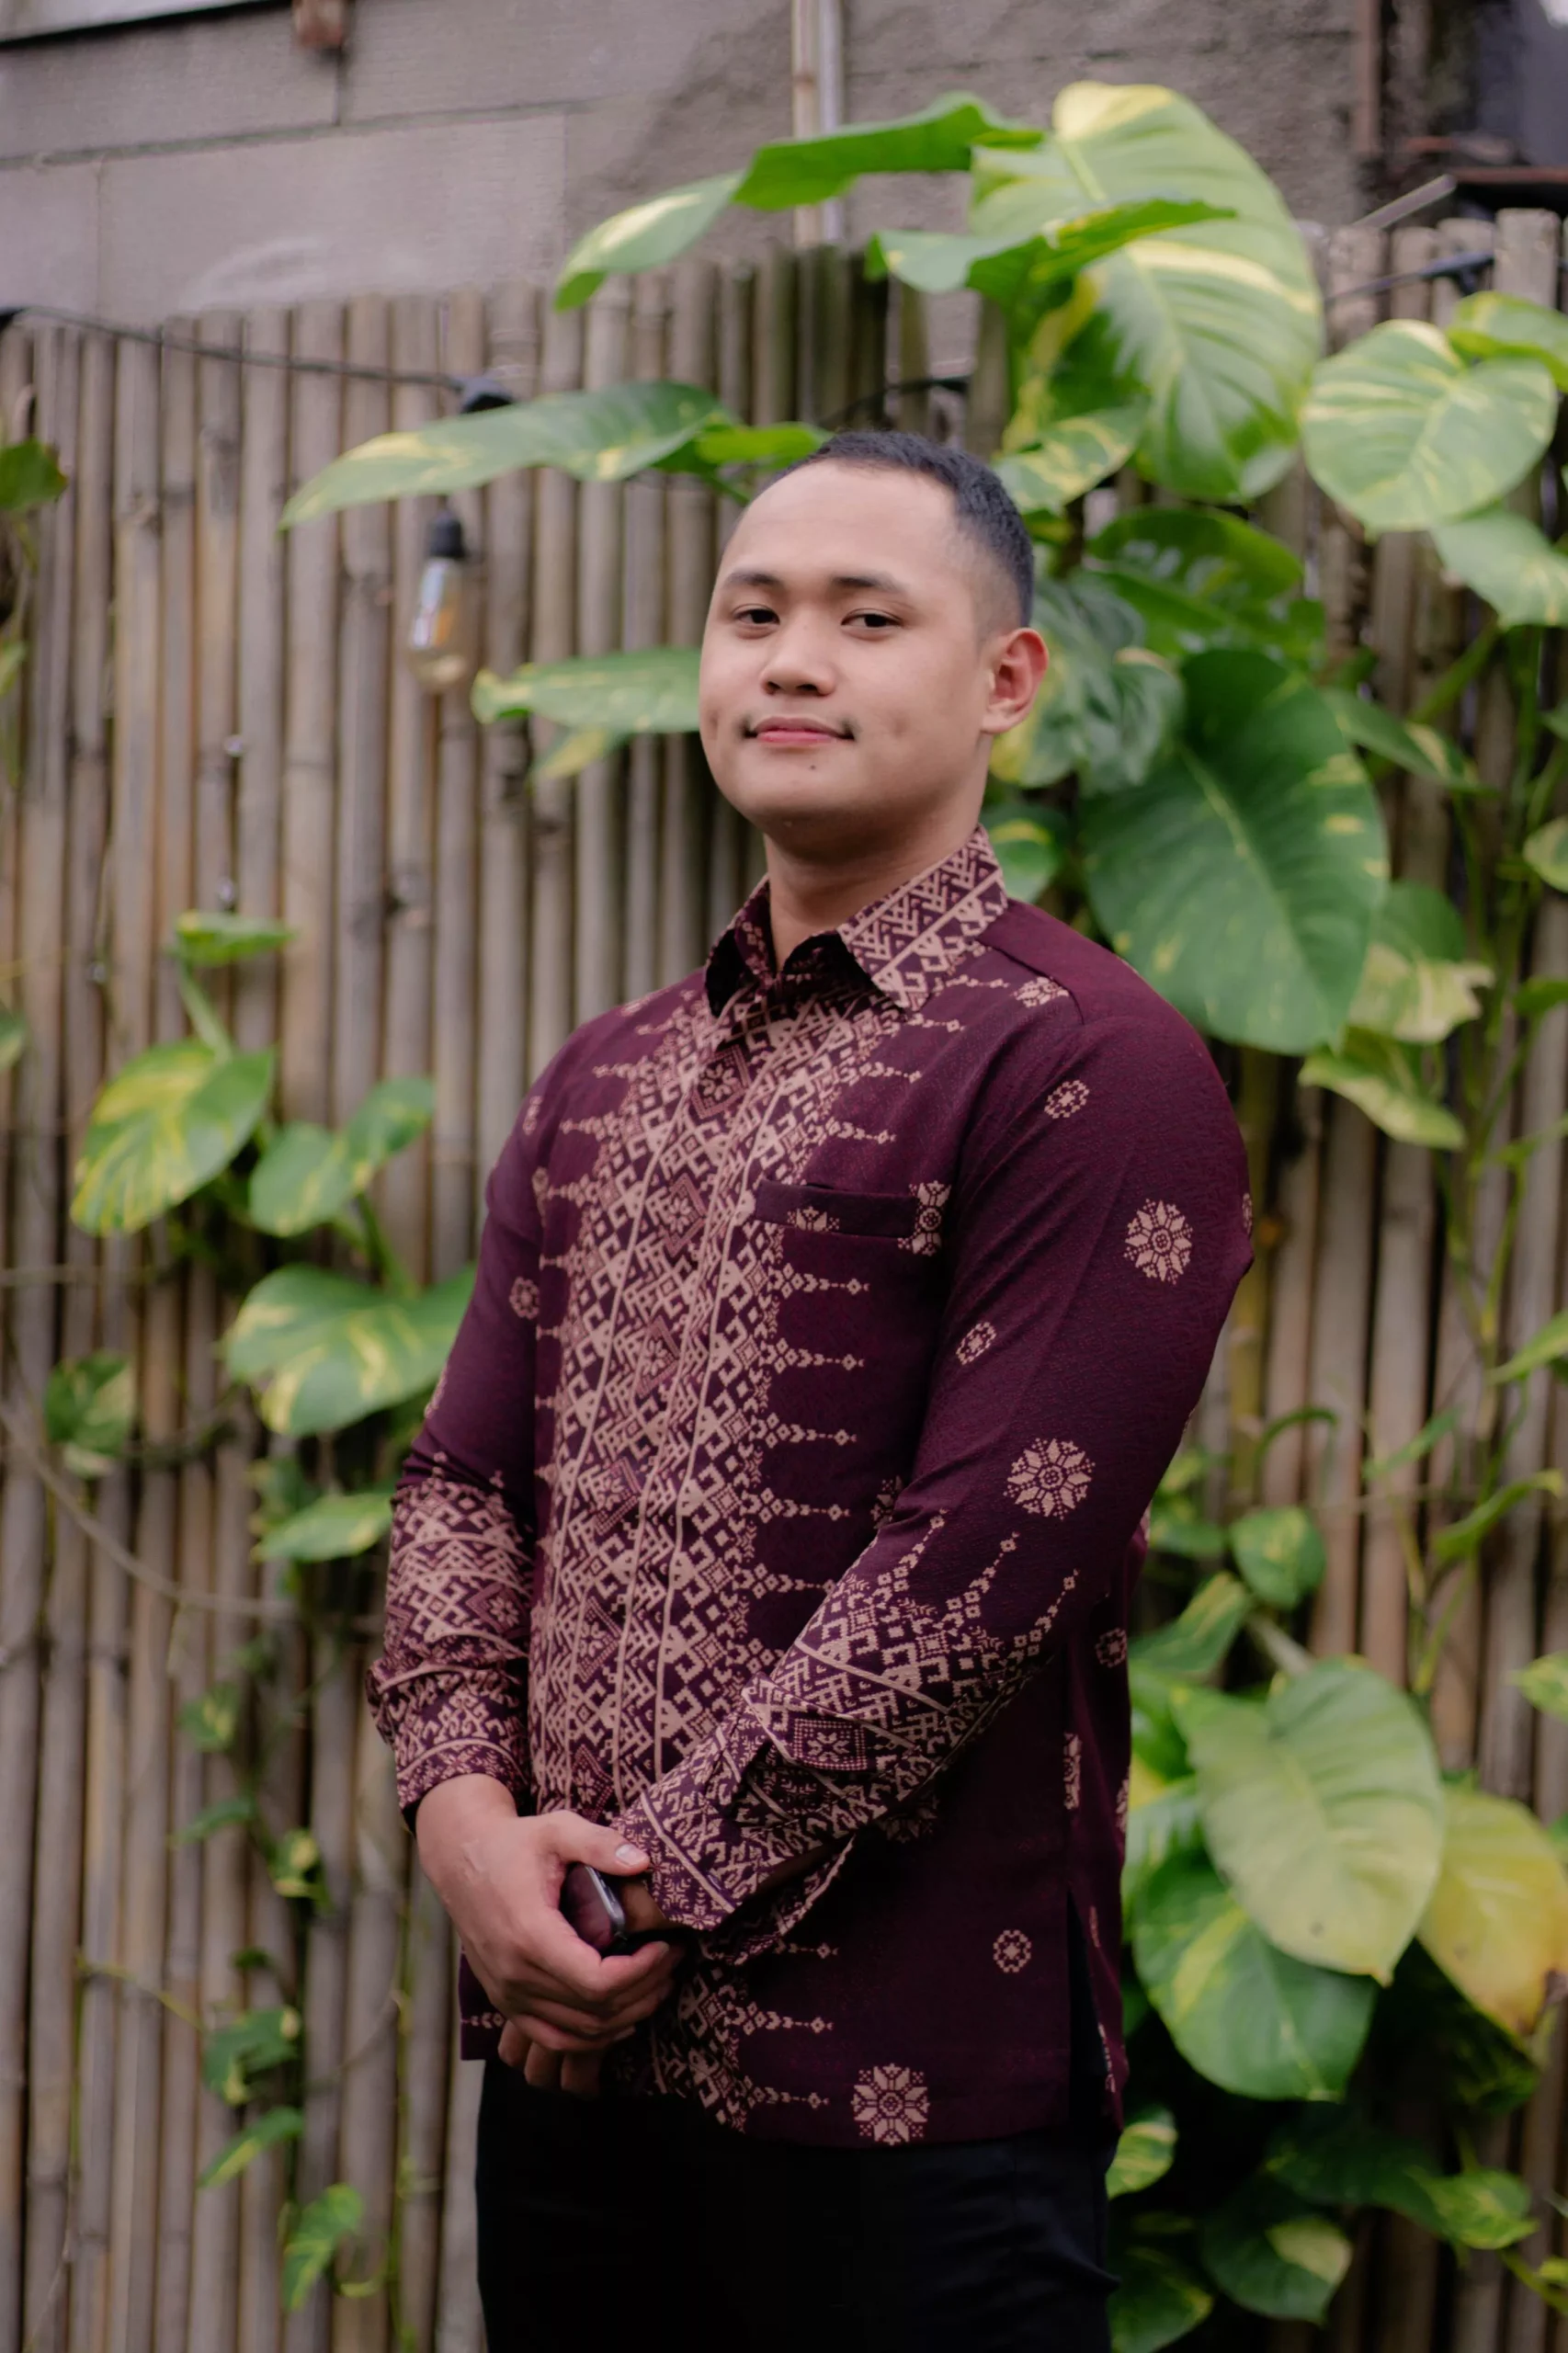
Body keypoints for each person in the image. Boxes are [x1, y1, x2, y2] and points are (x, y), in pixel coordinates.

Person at [367, 430, 1252, 2351]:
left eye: (866, 619)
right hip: (575, 2077)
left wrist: (615, 1907)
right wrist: (459, 1819)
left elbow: (977, 1574)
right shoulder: (604, 1070)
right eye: (751, 614)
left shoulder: (1088, 1067)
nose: (790, 661)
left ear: (1004, 679)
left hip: (906, 2108)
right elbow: (462, 1482)